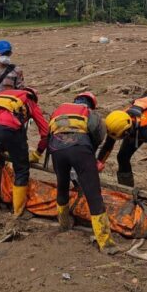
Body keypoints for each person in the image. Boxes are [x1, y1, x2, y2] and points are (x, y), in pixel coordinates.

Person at [47, 91, 119, 254]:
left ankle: (64, 223)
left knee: (62, 186)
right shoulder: (91, 114)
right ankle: (106, 242)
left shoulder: (59, 110)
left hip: (56, 148)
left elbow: (48, 133)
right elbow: (97, 138)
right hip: (80, 148)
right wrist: (90, 161)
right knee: (93, 194)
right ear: (92, 104)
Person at [0, 87, 49, 220]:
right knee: (21, 168)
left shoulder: (2, 95)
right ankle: (18, 211)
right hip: (9, 128)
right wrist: (37, 153)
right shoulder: (30, 102)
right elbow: (46, 133)